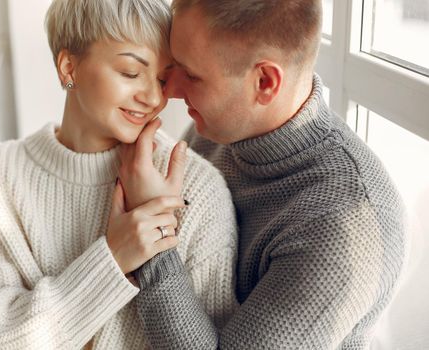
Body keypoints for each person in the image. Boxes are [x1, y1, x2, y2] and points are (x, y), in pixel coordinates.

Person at [0, 0, 238, 348]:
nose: (152, 97)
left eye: (162, 78)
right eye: (131, 73)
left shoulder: (198, 188)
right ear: (69, 67)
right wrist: (113, 258)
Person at [125, 0, 407, 349]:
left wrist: (152, 234)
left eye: (192, 74)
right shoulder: (217, 130)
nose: (170, 90)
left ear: (265, 81)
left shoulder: (343, 227)